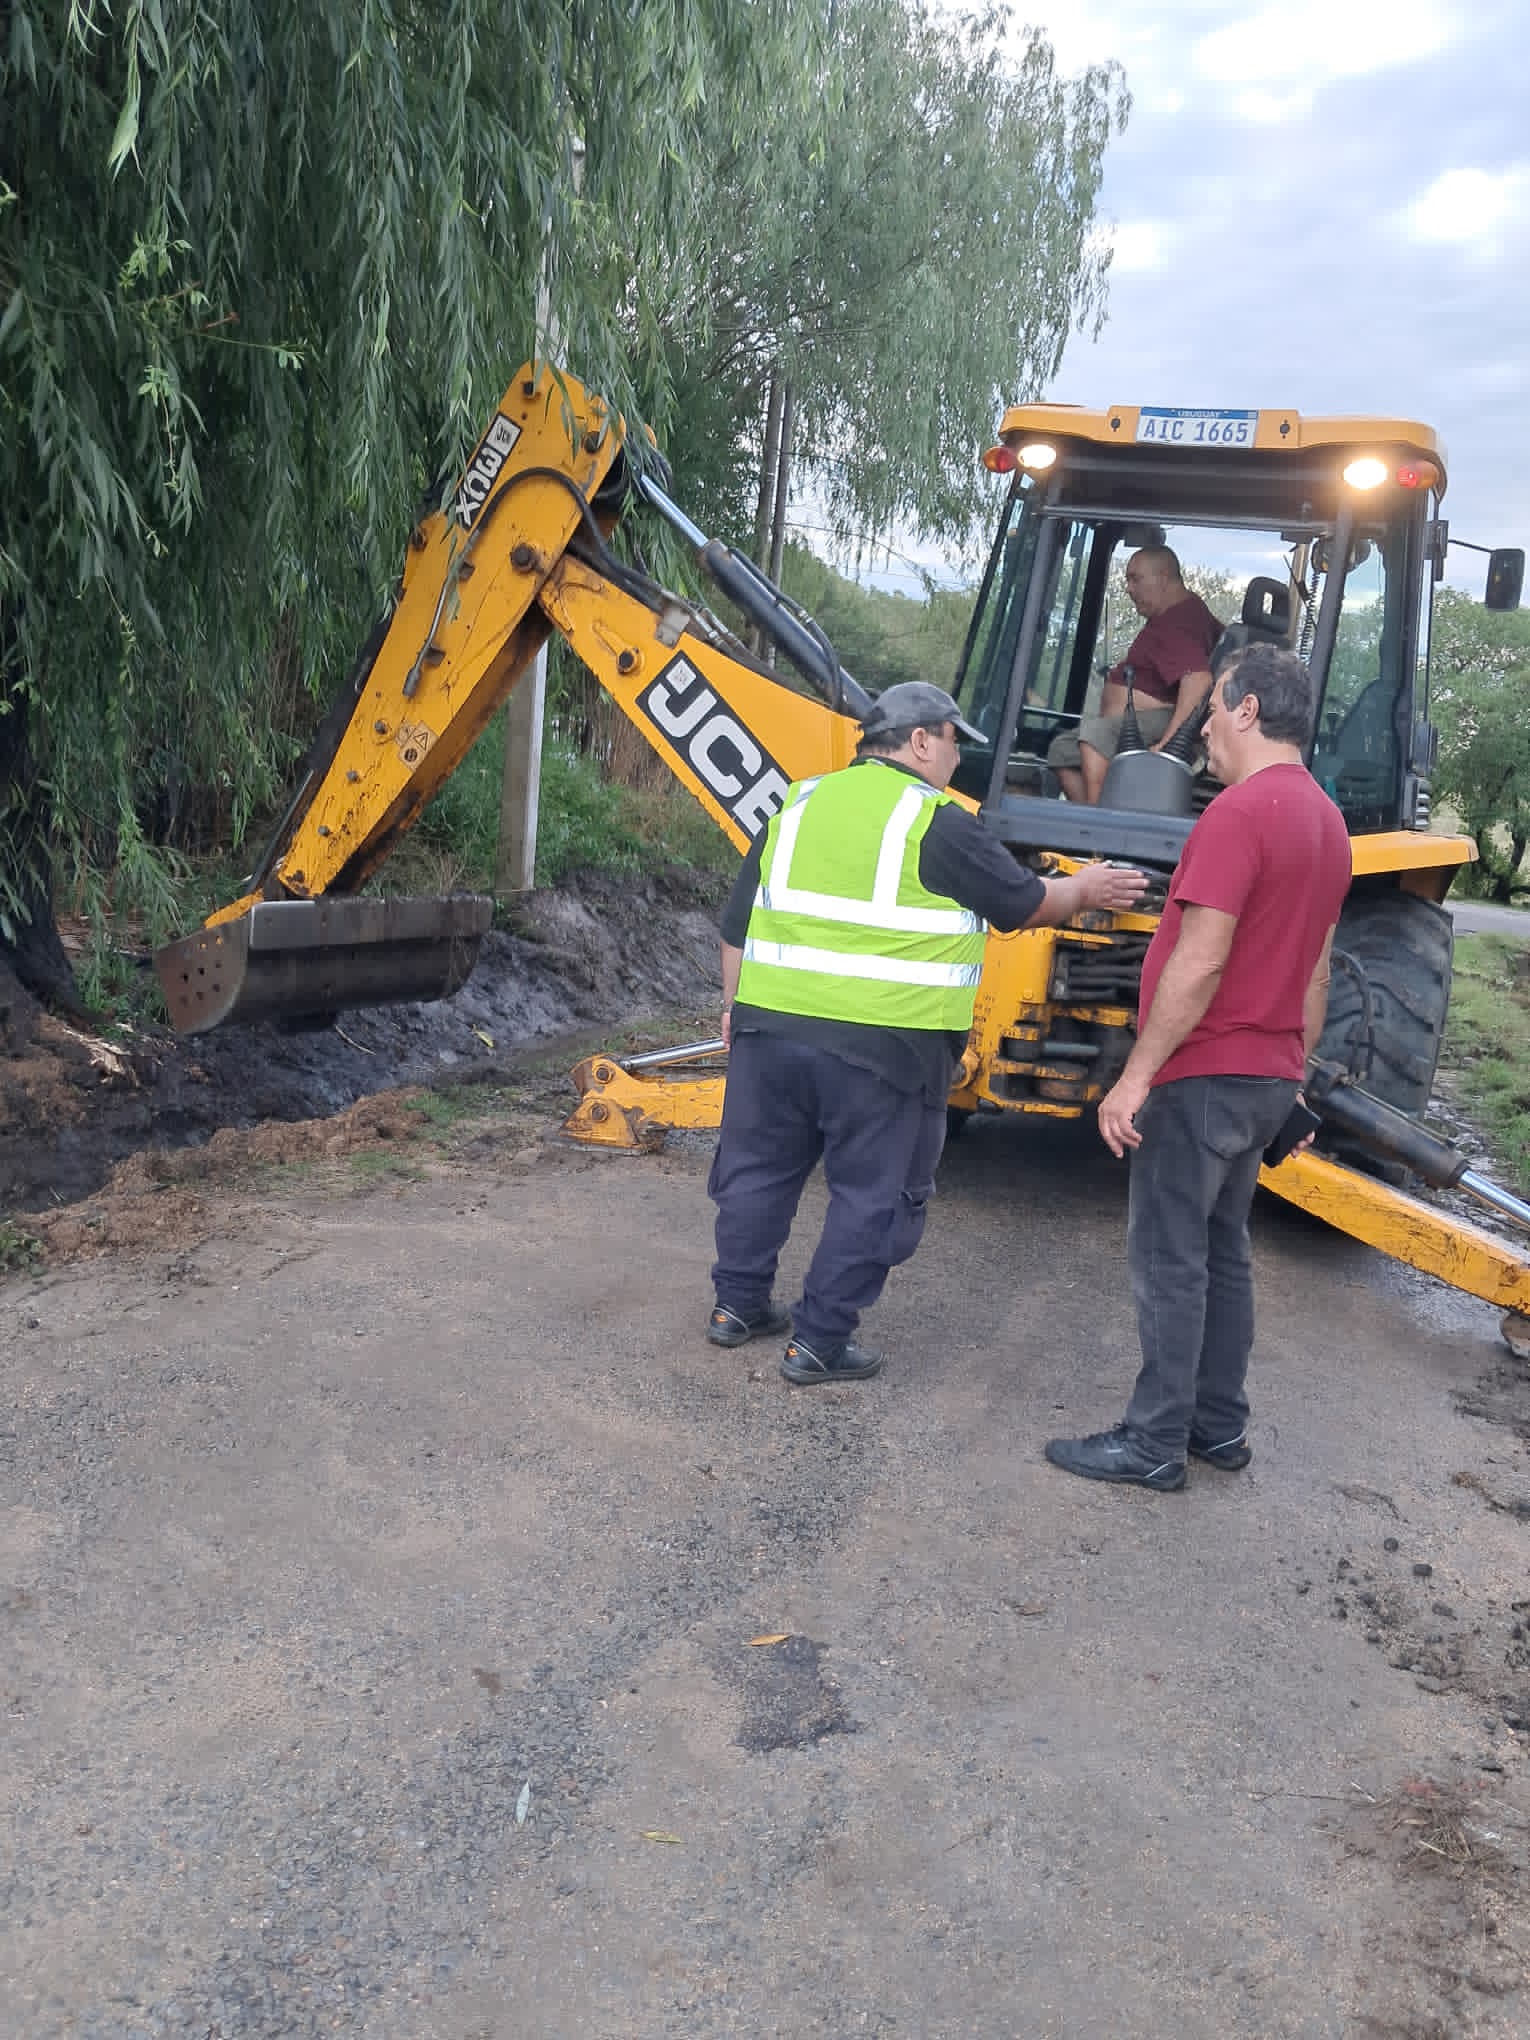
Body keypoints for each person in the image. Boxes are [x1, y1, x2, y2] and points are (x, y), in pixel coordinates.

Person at [706, 680, 1148, 1386]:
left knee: (758, 1171)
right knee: (869, 1191)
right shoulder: (933, 821)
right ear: (920, 741)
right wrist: (1088, 888)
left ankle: (736, 1307)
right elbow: (1024, 904)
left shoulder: (797, 804)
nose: (954, 761)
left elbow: (737, 928)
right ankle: (819, 1341)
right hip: (885, 1048)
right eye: (951, 743)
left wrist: (736, 1012)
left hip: (770, 1031)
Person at [1044, 643, 1352, 1490]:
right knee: (1224, 1252)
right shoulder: (1328, 823)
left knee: (1170, 1257)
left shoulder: (1238, 815)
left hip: (1203, 1074)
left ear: (1248, 710)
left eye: (1216, 706)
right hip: (1265, 1079)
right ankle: (1217, 1428)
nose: (1207, 723)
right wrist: (1293, 1071)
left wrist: (1136, 1075)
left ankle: (1152, 1443)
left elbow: (1200, 961)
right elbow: (1317, 971)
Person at [1047, 547, 1222, 805]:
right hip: (1134, 724)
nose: (1128, 589)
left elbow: (1198, 681)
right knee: (1062, 749)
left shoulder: (1178, 622)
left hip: (1153, 727)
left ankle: (1098, 834)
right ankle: (1091, 825)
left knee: (1095, 737)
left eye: (1135, 579)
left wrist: (1167, 746)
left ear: (1163, 577)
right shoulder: (1179, 615)